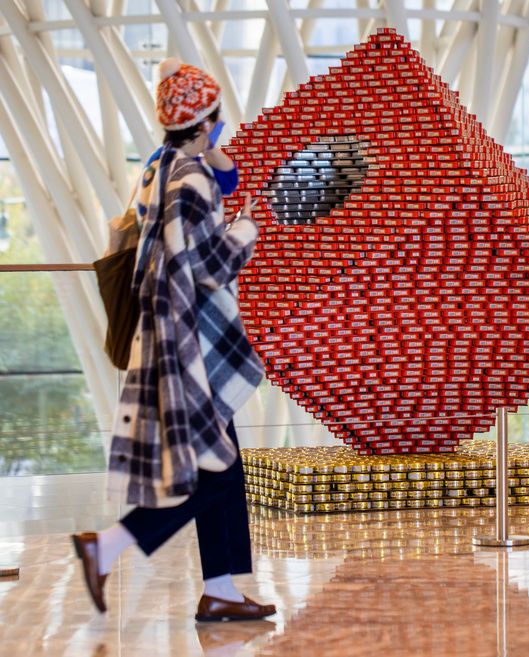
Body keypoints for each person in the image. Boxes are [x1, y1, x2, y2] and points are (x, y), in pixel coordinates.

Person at [71, 58, 274, 623]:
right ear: (208, 120)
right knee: (212, 474)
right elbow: (211, 264)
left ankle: (221, 591)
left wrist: (213, 155)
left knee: (221, 467)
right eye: (216, 119)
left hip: (171, 337)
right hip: (192, 345)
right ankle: (106, 547)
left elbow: (219, 184)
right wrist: (248, 226)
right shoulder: (191, 181)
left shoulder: (161, 168)